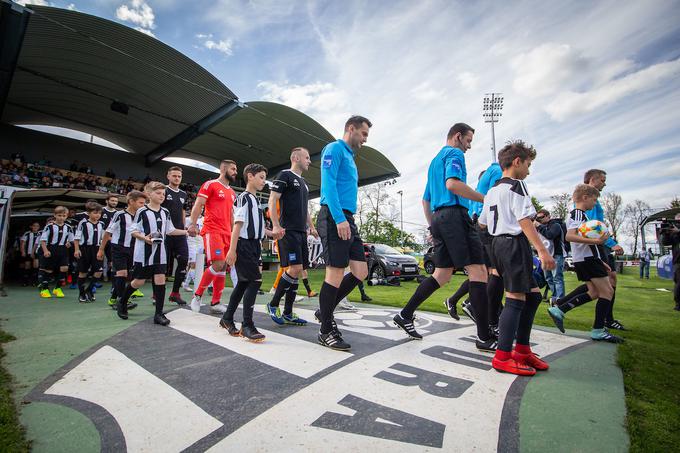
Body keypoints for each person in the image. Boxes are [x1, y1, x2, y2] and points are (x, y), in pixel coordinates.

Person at [393, 123, 494, 352]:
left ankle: (405, 314)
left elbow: (425, 200)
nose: (468, 147)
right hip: (455, 215)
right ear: (458, 137)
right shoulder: (454, 153)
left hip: (439, 218)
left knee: (442, 274)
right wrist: (484, 199)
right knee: (479, 271)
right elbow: (453, 184)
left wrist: (433, 227)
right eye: (468, 141)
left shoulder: (434, 161)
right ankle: (484, 337)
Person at [479, 140, 555, 376]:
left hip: (497, 244)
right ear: (517, 162)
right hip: (513, 243)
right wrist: (542, 250)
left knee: (532, 296)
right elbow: (523, 221)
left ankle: (522, 349)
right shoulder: (517, 186)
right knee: (516, 298)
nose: (529, 170)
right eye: (528, 164)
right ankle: (502, 356)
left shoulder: (491, 191)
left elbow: (482, 223)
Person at [315, 116, 372, 351]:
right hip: (334, 215)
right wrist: (339, 218)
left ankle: (324, 311)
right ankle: (326, 329)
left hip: (348, 217)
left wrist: (346, 219)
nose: (365, 139)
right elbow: (327, 185)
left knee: (361, 271)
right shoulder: (334, 149)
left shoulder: (350, 156)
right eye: (364, 134)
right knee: (335, 272)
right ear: (351, 129)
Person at [547, 184, 624, 343]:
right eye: (594, 199)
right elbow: (569, 236)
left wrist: (601, 261)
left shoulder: (583, 216)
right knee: (607, 292)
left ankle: (560, 309)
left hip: (588, 258)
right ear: (585, 197)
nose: (595, 203)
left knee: (595, 292)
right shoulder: (577, 214)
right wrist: (596, 241)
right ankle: (598, 330)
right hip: (586, 259)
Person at [115, 182, 188, 324]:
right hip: (143, 254)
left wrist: (187, 232)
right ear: (149, 194)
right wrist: (145, 238)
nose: (162, 196)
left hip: (160, 252)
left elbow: (170, 230)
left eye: (163, 194)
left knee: (160, 280)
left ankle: (159, 314)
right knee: (138, 282)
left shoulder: (165, 212)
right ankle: (122, 301)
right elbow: (133, 231)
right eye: (159, 193)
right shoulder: (142, 211)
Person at [446, 162, 504, 337]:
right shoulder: (496, 173)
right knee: (492, 273)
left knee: (482, 273)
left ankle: (459, 301)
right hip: (483, 226)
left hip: (478, 226)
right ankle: (489, 317)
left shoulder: (481, 188)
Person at [220, 164, 272, 341]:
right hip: (244, 245)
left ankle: (227, 318)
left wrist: (273, 233)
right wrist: (232, 250)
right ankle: (247, 325)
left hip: (254, 245)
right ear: (250, 176)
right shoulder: (243, 198)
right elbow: (238, 225)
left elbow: (257, 227)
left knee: (243, 283)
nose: (264, 181)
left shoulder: (256, 201)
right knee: (255, 281)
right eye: (261, 177)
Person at [266, 147, 317, 326]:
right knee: (294, 269)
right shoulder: (284, 175)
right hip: (288, 230)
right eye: (307, 157)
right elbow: (272, 200)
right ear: (296, 157)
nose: (309, 161)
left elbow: (305, 209)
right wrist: (276, 225)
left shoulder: (303, 183)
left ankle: (288, 313)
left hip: (301, 232)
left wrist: (311, 226)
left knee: (299, 271)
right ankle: (273, 304)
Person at [188, 160, 238, 314]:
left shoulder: (232, 192)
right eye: (233, 169)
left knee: (223, 267)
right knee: (218, 264)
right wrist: (192, 224)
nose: (236, 171)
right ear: (223, 169)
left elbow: (231, 214)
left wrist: (232, 233)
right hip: (212, 230)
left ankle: (216, 302)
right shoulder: (210, 184)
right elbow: (198, 204)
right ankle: (197, 296)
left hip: (226, 233)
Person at [584, 169, 626, 330]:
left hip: (601, 244)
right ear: (592, 180)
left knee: (610, 280)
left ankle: (608, 319)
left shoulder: (594, 199)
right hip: (597, 244)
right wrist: (611, 243)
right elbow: (592, 226)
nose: (604, 183)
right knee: (601, 285)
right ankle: (562, 306)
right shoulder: (587, 197)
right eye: (602, 180)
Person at [99, 190, 145, 311]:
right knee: (122, 273)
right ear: (131, 202)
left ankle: (113, 298)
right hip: (118, 248)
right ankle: (123, 300)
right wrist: (101, 250)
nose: (143, 205)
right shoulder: (120, 215)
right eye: (141, 203)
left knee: (128, 275)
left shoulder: (141, 216)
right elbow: (108, 232)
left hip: (133, 249)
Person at [162, 166, 189, 305]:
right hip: (165, 234)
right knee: (162, 265)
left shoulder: (184, 194)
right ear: (168, 176)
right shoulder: (163, 191)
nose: (177, 178)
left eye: (179, 176)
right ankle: (156, 294)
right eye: (174, 176)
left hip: (179, 233)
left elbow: (183, 212)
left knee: (184, 260)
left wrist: (184, 227)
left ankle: (175, 293)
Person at [38, 206, 74, 298]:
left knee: (64, 268)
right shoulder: (49, 226)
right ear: (55, 215)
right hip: (51, 248)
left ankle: (57, 288)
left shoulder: (68, 227)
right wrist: (45, 250)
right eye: (59, 215)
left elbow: (71, 240)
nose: (61, 217)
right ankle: (44, 289)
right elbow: (43, 240)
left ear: (66, 216)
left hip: (62, 249)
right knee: (48, 270)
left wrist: (69, 243)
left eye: (64, 215)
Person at [73, 203, 105, 303]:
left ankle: (89, 290)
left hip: (97, 249)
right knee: (83, 272)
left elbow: (103, 238)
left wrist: (102, 249)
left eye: (99, 213)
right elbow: (77, 237)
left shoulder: (102, 224)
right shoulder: (83, 223)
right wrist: (77, 249)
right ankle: (81, 294)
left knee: (99, 271)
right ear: (88, 213)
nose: (97, 215)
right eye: (95, 213)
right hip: (84, 249)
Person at [535, 209, 567, 303]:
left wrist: (539, 226)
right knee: (548, 278)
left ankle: (560, 298)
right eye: (538, 218)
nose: (539, 220)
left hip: (556, 254)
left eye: (541, 217)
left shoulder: (555, 225)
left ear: (548, 216)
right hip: (545, 256)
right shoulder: (540, 227)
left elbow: (550, 235)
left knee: (557, 277)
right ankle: (554, 296)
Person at [100, 194, 119, 282]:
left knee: (112, 260)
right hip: (101, 238)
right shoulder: (101, 211)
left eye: (115, 201)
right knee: (101, 259)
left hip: (112, 239)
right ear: (107, 201)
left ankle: (111, 279)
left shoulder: (117, 213)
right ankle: (102, 276)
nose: (114, 202)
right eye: (112, 200)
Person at [19, 222, 41, 286]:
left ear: (39, 227)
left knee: (36, 266)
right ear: (31, 226)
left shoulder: (40, 234)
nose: (35, 227)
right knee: (27, 266)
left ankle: (35, 282)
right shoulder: (27, 234)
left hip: (36, 252)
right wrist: (23, 251)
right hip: (28, 252)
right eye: (34, 226)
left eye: (37, 226)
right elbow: (23, 243)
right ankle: (25, 281)